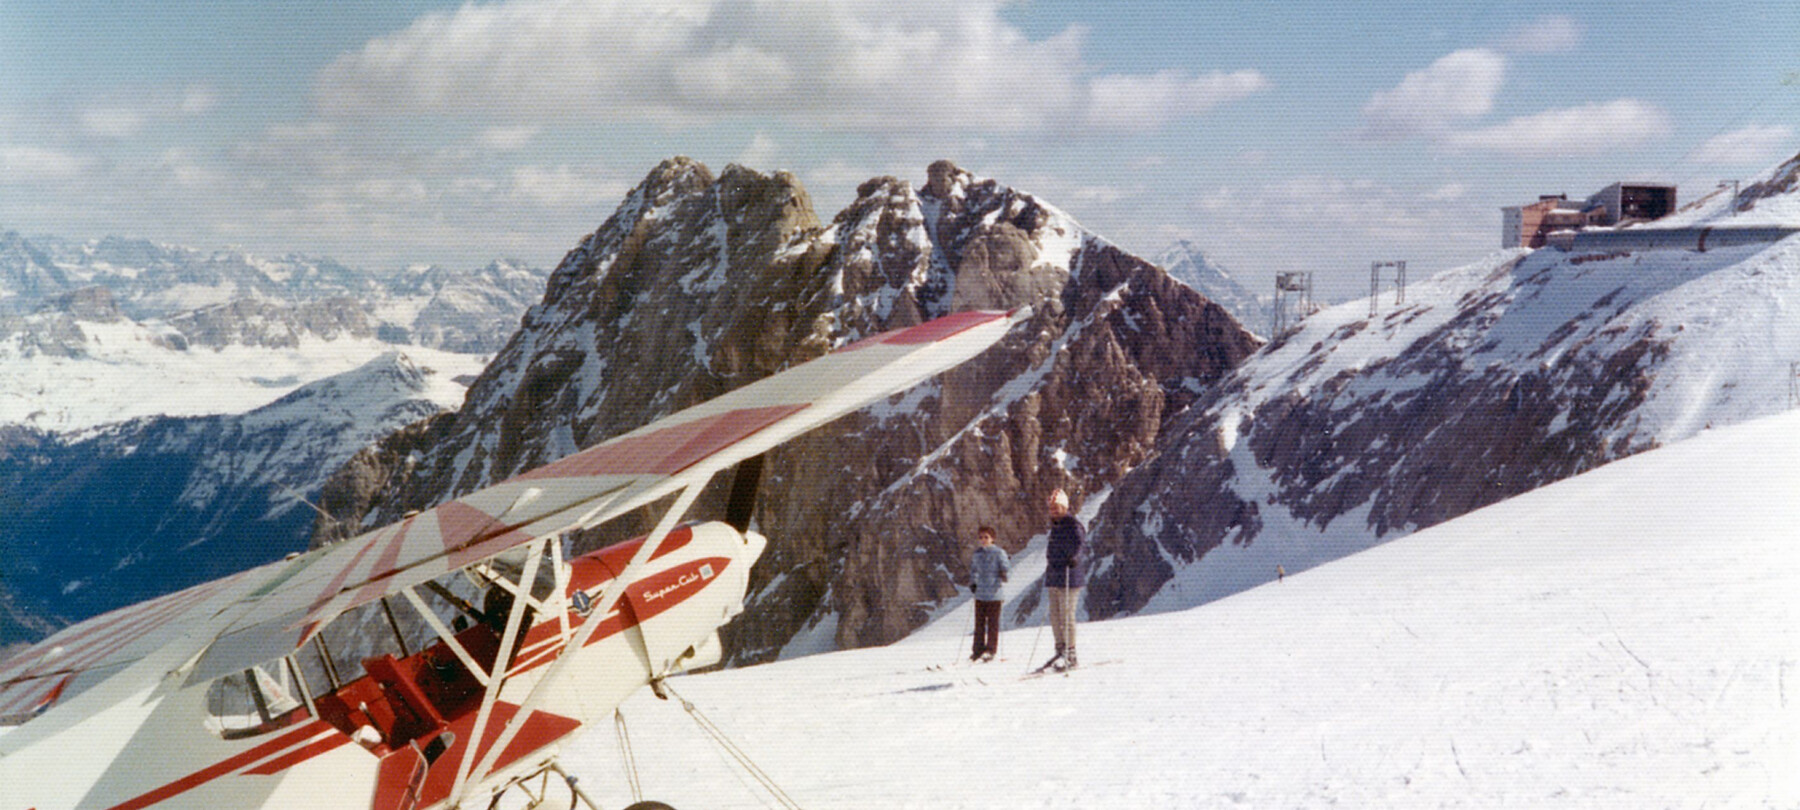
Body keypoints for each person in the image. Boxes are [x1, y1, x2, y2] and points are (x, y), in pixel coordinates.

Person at [1042, 488, 1087, 671]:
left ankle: (1070, 653)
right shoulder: (1055, 526)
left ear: (1064, 506)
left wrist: (1075, 557)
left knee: (1066, 616)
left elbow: (1080, 543)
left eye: (1057, 506)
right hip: (1055, 576)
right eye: (1051, 507)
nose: (1053, 510)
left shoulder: (1072, 524)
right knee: (1055, 616)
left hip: (1070, 574)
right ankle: (1060, 649)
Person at [968, 525, 1010, 662]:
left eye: (986, 537)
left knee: (992, 623)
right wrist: (973, 583)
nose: (983, 540)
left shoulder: (999, 553)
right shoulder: (977, 554)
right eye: (981, 537)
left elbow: (1006, 567)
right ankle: (977, 650)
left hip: (994, 593)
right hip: (980, 593)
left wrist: (1004, 573)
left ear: (993, 538)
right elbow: (973, 570)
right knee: (979, 623)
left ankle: (991, 650)